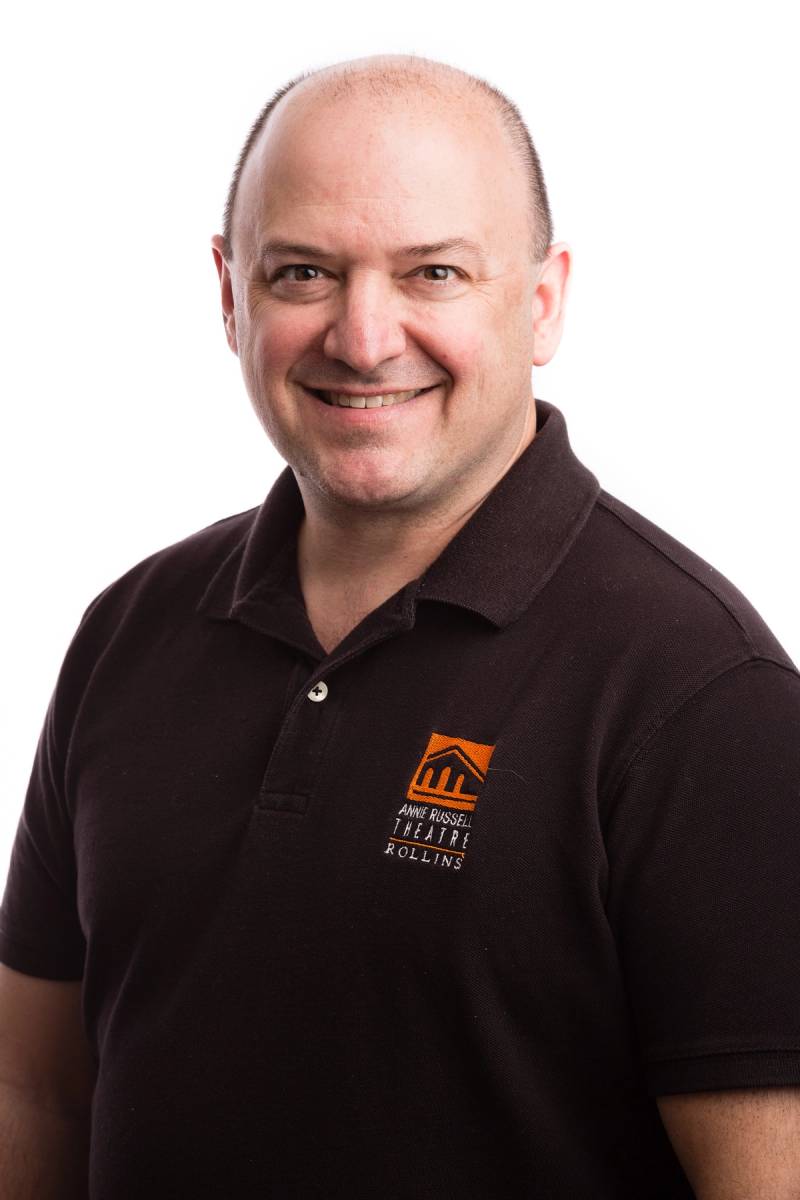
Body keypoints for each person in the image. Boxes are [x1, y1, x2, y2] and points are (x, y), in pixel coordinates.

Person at [1, 52, 799, 1199]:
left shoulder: (699, 693)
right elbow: (35, 1090)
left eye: (432, 273)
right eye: (303, 273)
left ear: (540, 302)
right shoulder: (130, 630)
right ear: (229, 294)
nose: (363, 336)